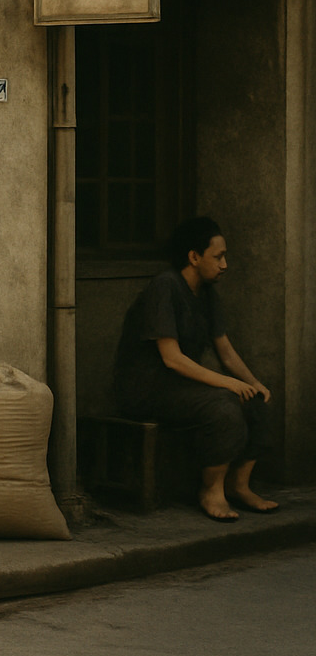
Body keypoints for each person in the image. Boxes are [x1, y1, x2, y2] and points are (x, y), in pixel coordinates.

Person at [112, 216, 278, 521]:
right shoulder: (166, 286)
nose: (224, 264)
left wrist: (254, 383)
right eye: (218, 256)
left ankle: (238, 485)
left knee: (255, 401)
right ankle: (211, 491)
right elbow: (172, 358)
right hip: (147, 388)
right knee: (225, 407)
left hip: (180, 385)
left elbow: (225, 350)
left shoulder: (207, 293)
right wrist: (228, 385)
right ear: (193, 256)